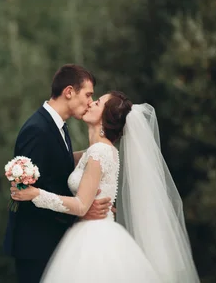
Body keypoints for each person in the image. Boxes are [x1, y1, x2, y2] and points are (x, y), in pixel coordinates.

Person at [11, 91, 200, 282]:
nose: (91, 103)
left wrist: (35, 194)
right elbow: (62, 161)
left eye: (98, 102)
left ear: (105, 117)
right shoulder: (95, 151)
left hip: (95, 239)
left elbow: (81, 205)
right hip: (90, 232)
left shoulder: (100, 152)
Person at [2, 65, 112, 283]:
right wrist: (80, 212)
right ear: (69, 92)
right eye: (88, 95)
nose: (90, 101)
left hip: (53, 241)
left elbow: (58, 169)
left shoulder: (59, 127)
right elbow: (29, 195)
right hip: (36, 246)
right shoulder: (37, 130)